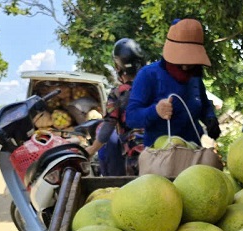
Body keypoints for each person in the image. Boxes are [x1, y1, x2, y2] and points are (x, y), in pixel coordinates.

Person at [126, 18, 220, 149]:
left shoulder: (195, 78)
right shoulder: (148, 75)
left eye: (191, 64)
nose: (186, 68)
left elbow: (203, 105)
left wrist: (210, 119)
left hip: (193, 152)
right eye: (181, 64)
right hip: (161, 157)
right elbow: (131, 118)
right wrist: (156, 111)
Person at [86, 38, 147, 176]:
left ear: (118, 68)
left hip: (135, 158)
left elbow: (108, 125)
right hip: (158, 152)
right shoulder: (152, 87)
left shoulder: (118, 93)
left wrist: (92, 149)